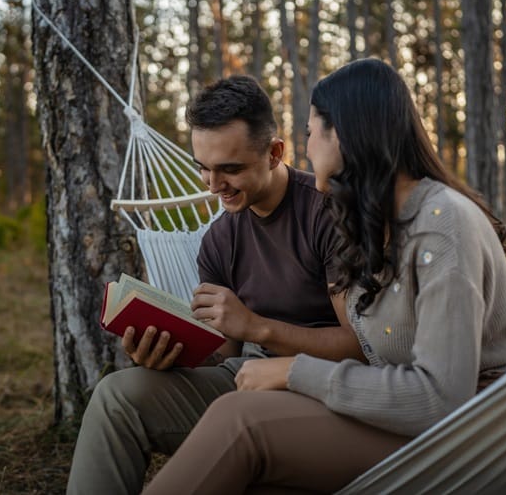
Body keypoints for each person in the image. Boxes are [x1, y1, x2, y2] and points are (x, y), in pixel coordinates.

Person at [141, 58, 506, 494]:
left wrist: (296, 371)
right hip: (397, 416)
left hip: (472, 433)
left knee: (237, 419)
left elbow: (440, 400)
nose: (307, 146)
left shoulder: (442, 226)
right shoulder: (384, 224)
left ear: (346, 136)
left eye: (311, 132)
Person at [66, 75, 364, 494]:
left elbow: (359, 345)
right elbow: (225, 355)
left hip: (322, 387)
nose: (213, 185)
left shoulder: (325, 214)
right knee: (118, 396)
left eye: (231, 169)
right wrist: (167, 353)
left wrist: (257, 327)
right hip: (245, 379)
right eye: (203, 168)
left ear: (274, 153)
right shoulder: (219, 240)